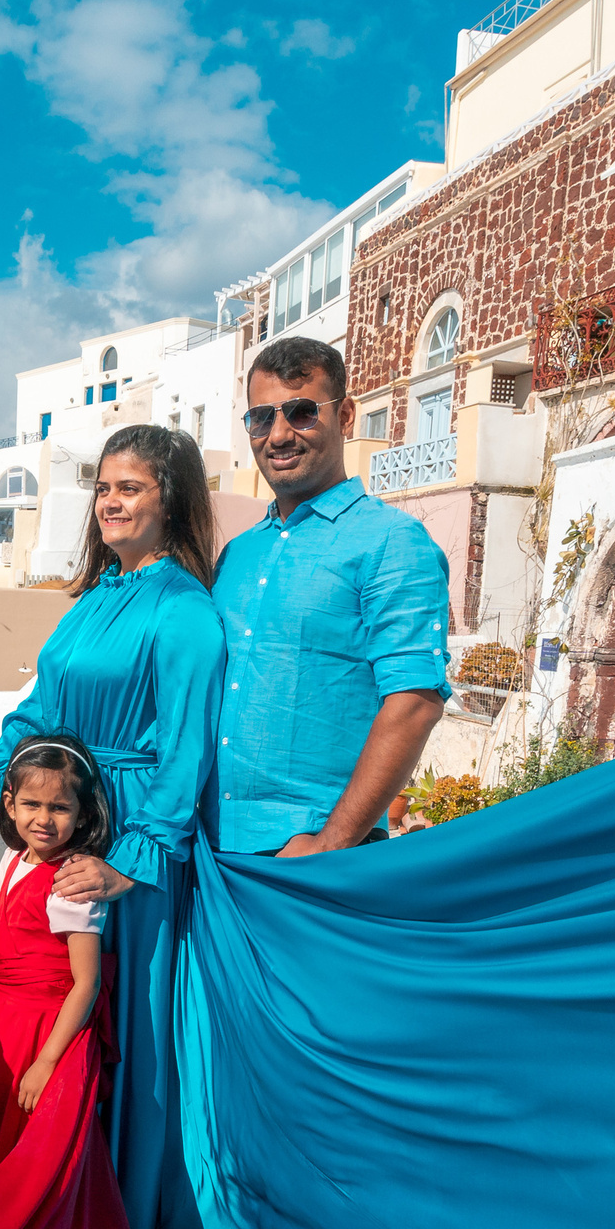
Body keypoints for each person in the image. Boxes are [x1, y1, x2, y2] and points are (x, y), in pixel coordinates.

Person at [0, 423, 225, 1229]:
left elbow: (186, 752)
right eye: (105, 487)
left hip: (122, 852)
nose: (112, 502)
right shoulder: (91, 603)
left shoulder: (186, 612)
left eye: (133, 487)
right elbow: (36, 721)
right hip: (61, 824)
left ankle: (104, 1228)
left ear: (173, 499)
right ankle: (42, 1210)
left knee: (114, 1039)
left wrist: (130, 867)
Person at [216, 336, 450, 857]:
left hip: (306, 858)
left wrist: (331, 846)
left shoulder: (393, 541)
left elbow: (415, 701)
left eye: (301, 412)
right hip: (209, 851)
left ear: (344, 415)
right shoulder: (236, 555)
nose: (278, 434)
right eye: (260, 418)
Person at [0, 734, 110, 1216]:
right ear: (8, 804)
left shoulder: (73, 883)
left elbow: (86, 984)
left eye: (59, 807)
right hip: (0, 1022)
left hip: (43, 1030)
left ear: (83, 813)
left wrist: (48, 1061)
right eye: (31, 804)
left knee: (26, 1142)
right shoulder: (14, 858)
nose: (43, 820)